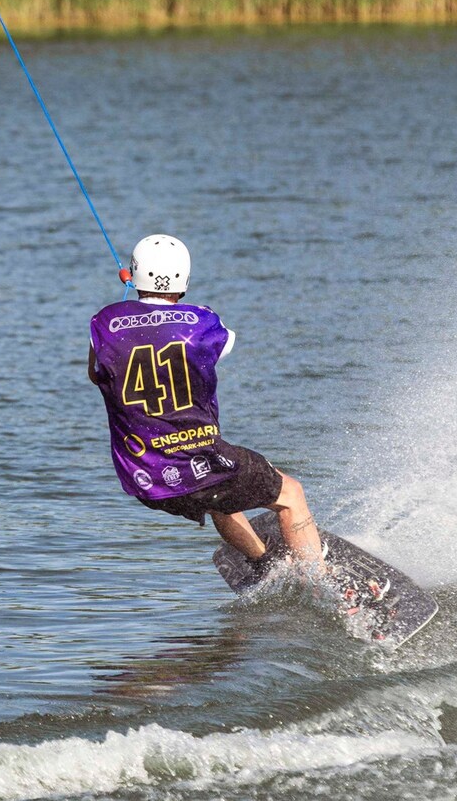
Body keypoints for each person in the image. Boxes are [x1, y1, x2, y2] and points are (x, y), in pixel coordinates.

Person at [87, 234, 337, 588]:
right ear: (184, 278)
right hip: (201, 461)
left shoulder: (104, 323)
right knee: (290, 495)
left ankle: (264, 563)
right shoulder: (202, 321)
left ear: (134, 273)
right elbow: (225, 342)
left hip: (146, 479)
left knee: (220, 496)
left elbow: (95, 372)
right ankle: (322, 585)